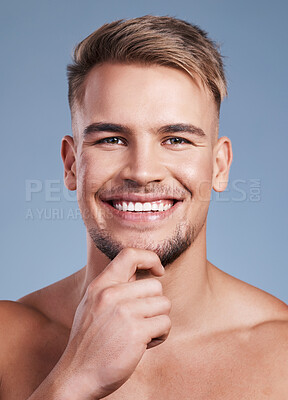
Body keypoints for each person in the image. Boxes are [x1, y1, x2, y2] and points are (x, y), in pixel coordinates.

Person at [0, 15, 287, 400]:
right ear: (71, 164)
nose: (142, 172)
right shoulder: (6, 342)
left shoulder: (280, 353)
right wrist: (70, 381)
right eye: (112, 139)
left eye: (177, 140)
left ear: (219, 166)